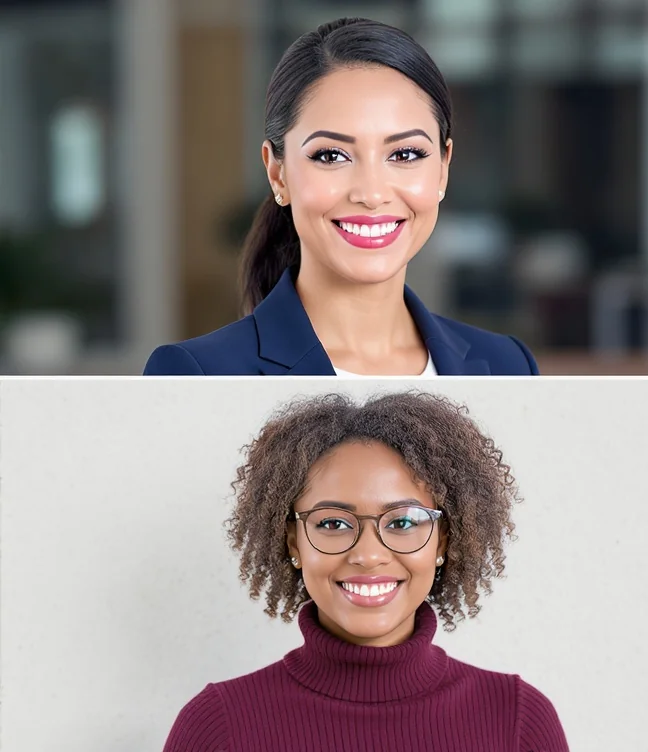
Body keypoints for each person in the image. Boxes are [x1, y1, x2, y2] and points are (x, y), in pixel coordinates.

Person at [163, 392, 567, 751]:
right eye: (333, 523)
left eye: (404, 522)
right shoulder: (218, 726)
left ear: (443, 541)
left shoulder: (517, 720)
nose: (368, 555)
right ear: (293, 542)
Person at [144, 18, 538, 376]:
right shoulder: (198, 375)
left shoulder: (508, 366)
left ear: (443, 168)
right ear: (277, 173)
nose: (371, 193)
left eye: (404, 154)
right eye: (331, 156)